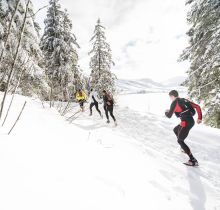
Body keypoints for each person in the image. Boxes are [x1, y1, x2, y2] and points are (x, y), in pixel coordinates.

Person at [165, 90, 202, 166]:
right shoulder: (184, 100)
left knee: (180, 140)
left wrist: (166, 111)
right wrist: (199, 118)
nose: (170, 99)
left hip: (186, 123)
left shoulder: (174, 102)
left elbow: (169, 116)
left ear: (172, 96)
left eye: (170, 97)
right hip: (190, 121)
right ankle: (183, 148)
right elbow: (197, 107)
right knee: (175, 129)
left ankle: (193, 160)